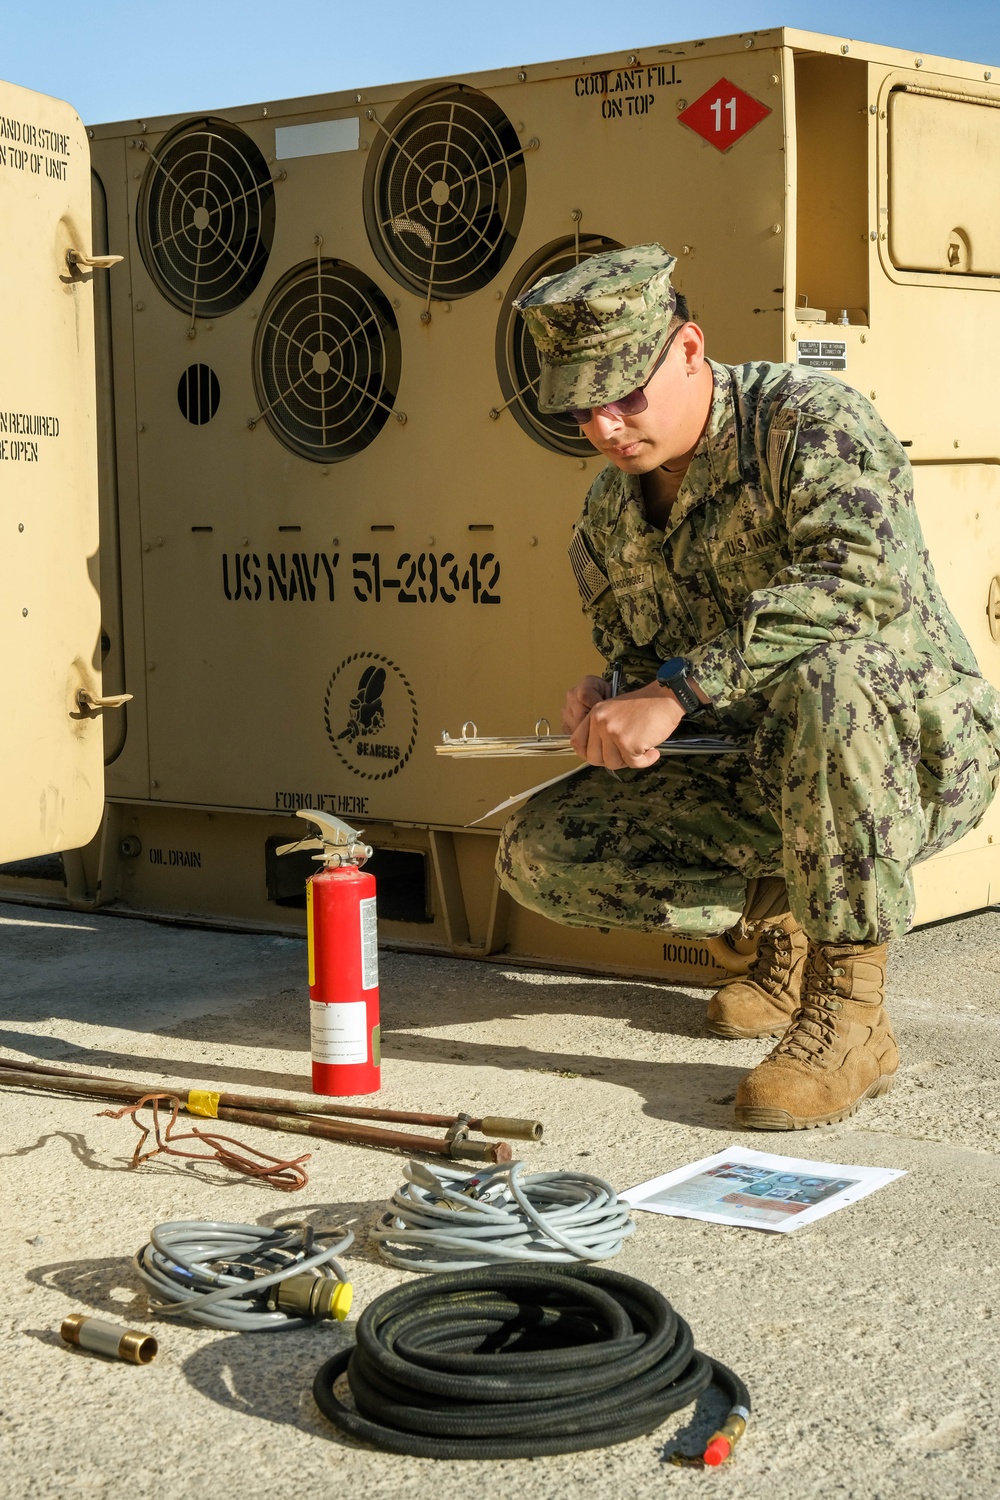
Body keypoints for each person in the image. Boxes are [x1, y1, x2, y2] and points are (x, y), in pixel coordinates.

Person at [496, 243, 1000, 1130]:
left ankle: (850, 1016)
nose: (607, 427)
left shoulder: (810, 422)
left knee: (828, 675)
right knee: (542, 852)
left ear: (689, 349)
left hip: (911, 756)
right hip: (765, 770)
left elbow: (857, 582)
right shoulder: (611, 512)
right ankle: (793, 930)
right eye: (582, 408)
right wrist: (615, 701)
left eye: (625, 393)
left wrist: (680, 692)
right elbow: (647, 662)